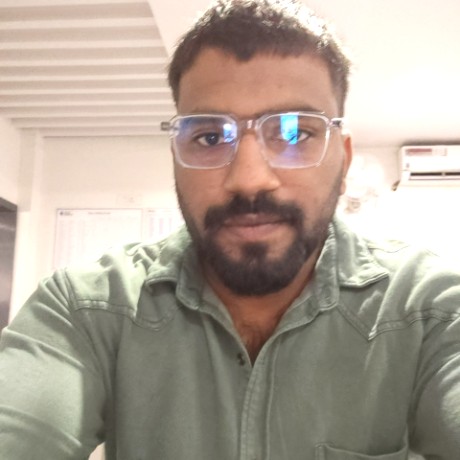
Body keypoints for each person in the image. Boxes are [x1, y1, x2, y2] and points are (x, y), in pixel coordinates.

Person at [1, 0, 459, 458]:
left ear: (343, 160)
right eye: (209, 137)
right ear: (176, 157)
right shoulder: (86, 310)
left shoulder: (432, 312)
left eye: (295, 134)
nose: (249, 179)